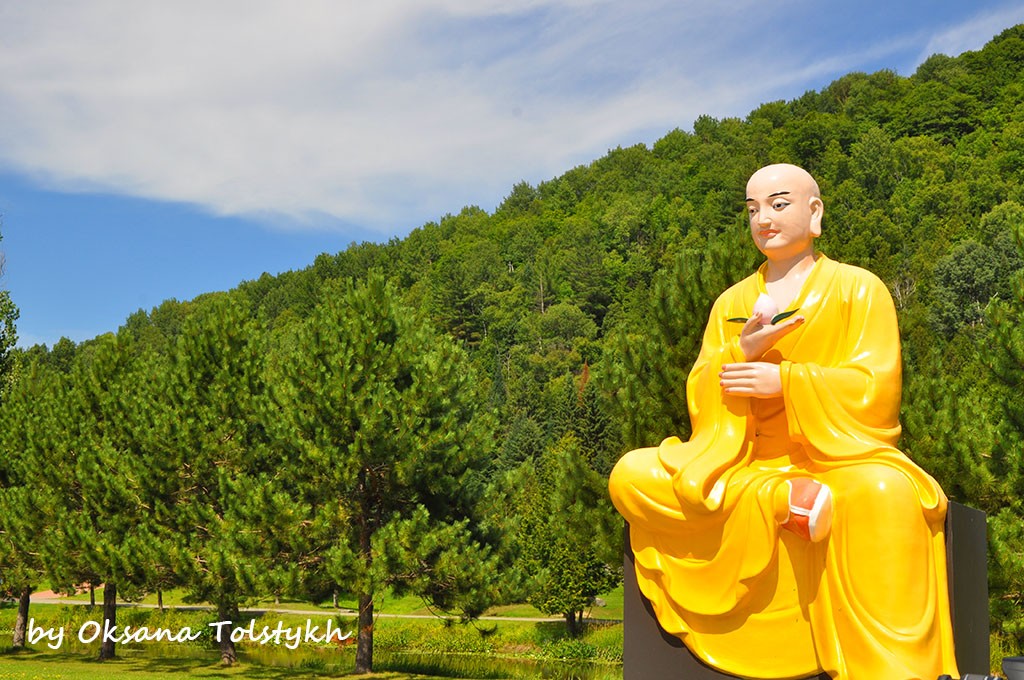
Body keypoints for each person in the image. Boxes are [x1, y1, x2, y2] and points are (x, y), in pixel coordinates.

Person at [608, 164, 959, 679]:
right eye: (752, 210)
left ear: (814, 213)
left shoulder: (858, 289)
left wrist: (787, 382)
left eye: (778, 204)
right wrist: (740, 355)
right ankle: (781, 501)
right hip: (747, 462)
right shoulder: (732, 302)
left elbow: (876, 390)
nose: (764, 220)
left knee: (886, 493)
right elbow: (703, 396)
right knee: (631, 474)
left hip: (836, 459)